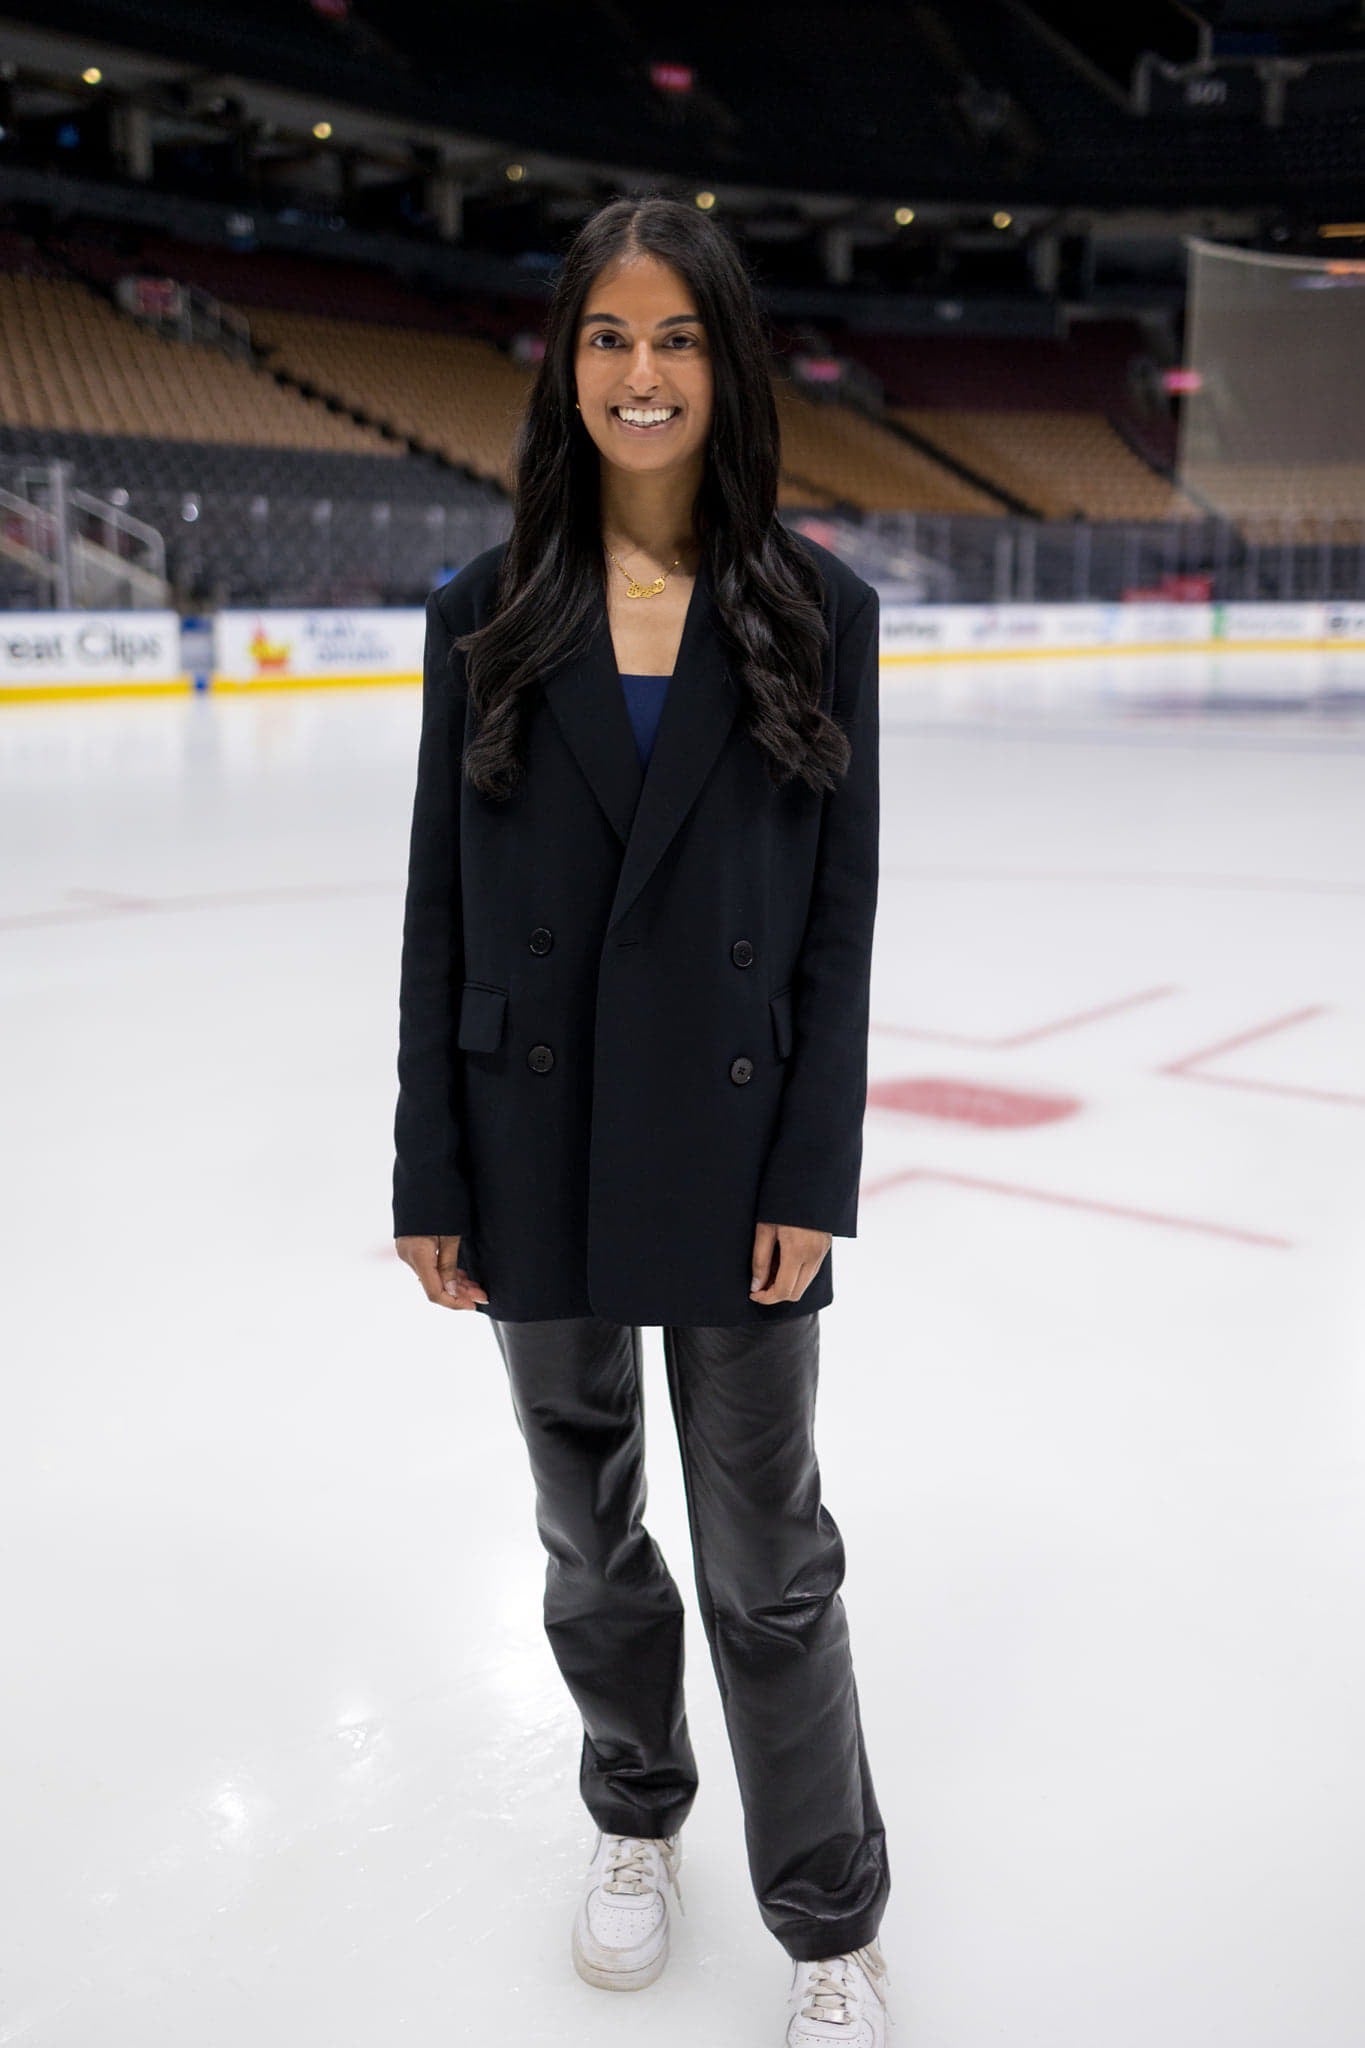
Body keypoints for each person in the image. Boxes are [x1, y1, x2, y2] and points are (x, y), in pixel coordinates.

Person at [393, 194, 891, 2046]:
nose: (640, 371)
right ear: (565, 364)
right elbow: (440, 907)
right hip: (530, 1152)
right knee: (587, 1531)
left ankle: (827, 1913)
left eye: (675, 336)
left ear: (726, 362)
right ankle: (633, 1812)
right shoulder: (483, 613)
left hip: (741, 1159)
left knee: (769, 1564)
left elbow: (838, 928)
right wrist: (430, 1170)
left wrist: (815, 1172)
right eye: (607, 336)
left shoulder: (815, 612)